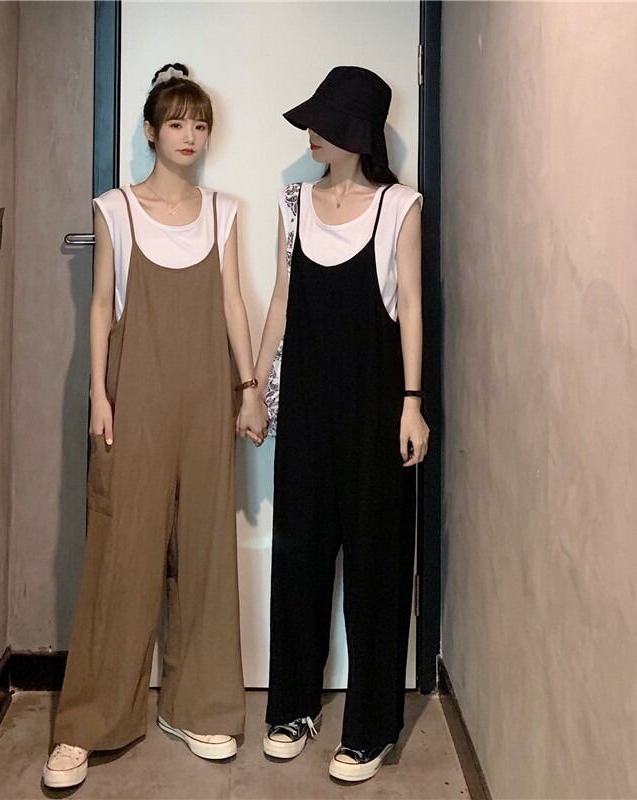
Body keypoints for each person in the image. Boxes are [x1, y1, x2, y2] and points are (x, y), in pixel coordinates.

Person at [42, 63, 264, 790]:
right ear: (150, 131)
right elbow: (101, 304)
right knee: (123, 550)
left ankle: (201, 707)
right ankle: (88, 723)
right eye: (176, 123)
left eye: (200, 124)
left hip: (206, 395)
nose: (190, 135)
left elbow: (233, 304)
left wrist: (249, 390)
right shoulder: (117, 209)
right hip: (133, 393)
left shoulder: (223, 211)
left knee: (204, 548)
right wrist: (99, 396)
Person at [254, 66, 429, 783]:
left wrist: (412, 401)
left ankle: (371, 726)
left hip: (376, 406)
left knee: (375, 563)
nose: (312, 133)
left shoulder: (400, 207)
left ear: (359, 133)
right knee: (298, 554)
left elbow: (411, 304)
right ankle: (292, 706)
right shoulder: (294, 203)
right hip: (305, 404)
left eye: (325, 122)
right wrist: (254, 390)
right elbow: (281, 300)